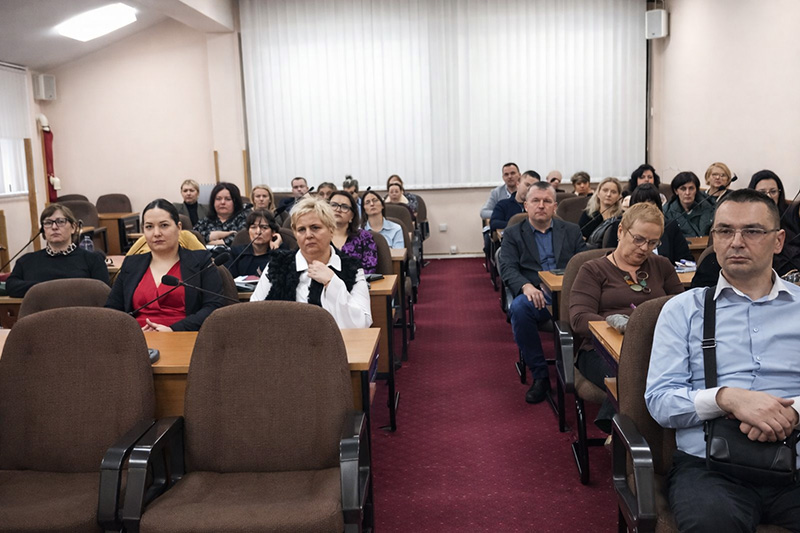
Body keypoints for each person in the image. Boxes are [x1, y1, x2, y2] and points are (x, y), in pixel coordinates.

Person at [645, 189, 800, 532]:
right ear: (713, 239)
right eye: (725, 231)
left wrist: (793, 412)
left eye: (752, 231)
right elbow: (660, 399)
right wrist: (726, 398)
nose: (736, 242)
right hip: (709, 468)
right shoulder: (682, 311)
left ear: (778, 241)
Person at [571, 202, 684, 431]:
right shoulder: (593, 270)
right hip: (601, 350)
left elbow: (682, 309)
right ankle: (623, 434)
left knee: (662, 375)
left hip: (655, 347)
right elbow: (579, 318)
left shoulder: (662, 266)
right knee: (636, 377)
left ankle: (620, 431)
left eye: (653, 243)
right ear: (621, 231)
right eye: (639, 239)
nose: (644, 248)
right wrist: (622, 325)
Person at [498, 182, 587, 403]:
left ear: (554, 206)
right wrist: (525, 286)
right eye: (535, 201)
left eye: (547, 201)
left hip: (569, 295)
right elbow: (508, 267)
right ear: (526, 205)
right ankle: (540, 375)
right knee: (519, 309)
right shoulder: (512, 233)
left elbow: (585, 264)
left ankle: (583, 368)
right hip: (537, 295)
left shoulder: (571, 230)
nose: (541, 205)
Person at [250, 196, 372, 329]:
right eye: (301, 230)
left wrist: (332, 282)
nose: (308, 235)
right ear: (295, 234)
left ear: (331, 230)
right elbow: (254, 314)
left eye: (315, 228)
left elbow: (362, 323)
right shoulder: (277, 265)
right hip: (285, 340)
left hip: (336, 341)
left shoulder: (351, 268)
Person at [106, 199, 224, 331]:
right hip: (138, 338)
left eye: (164, 225)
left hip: (184, 335)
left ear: (179, 228)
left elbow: (214, 306)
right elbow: (112, 309)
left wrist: (173, 329)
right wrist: (132, 332)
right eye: (149, 227)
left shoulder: (201, 260)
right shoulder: (131, 263)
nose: (156, 233)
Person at [7, 204, 109, 297]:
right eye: (48, 223)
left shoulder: (93, 259)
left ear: (73, 228)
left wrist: (44, 288)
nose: (54, 227)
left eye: (60, 222)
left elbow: (102, 292)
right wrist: (52, 288)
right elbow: (11, 286)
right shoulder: (26, 261)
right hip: (40, 311)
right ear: (43, 230)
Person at [605, 183, 693, 264]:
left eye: (651, 203)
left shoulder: (670, 226)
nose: (646, 208)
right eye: (641, 203)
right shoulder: (620, 225)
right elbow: (610, 257)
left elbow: (686, 259)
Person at [227, 209, 286, 278]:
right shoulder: (236, 253)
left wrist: (276, 249)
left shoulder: (282, 252)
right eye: (253, 227)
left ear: (273, 232)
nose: (258, 232)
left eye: (264, 228)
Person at [329, 191, 377, 274]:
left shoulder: (364, 237)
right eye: (333, 205)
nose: (338, 210)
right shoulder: (319, 237)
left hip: (357, 281)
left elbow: (370, 269)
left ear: (352, 216)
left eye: (344, 207)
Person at [194, 182, 249, 247]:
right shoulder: (205, 221)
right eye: (218, 199)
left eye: (228, 199)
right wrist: (224, 234)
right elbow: (193, 237)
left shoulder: (244, 218)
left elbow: (239, 238)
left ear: (235, 202)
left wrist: (209, 241)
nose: (222, 202)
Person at [663, 171, 714, 238]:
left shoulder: (709, 208)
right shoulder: (667, 211)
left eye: (691, 188)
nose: (687, 193)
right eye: (683, 189)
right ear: (676, 191)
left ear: (696, 190)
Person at [578, 176, 622, 241]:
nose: (608, 194)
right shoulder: (589, 214)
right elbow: (580, 239)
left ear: (619, 197)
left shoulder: (622, 217)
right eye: (605, 190)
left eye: (613, 192)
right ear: (598, 193)